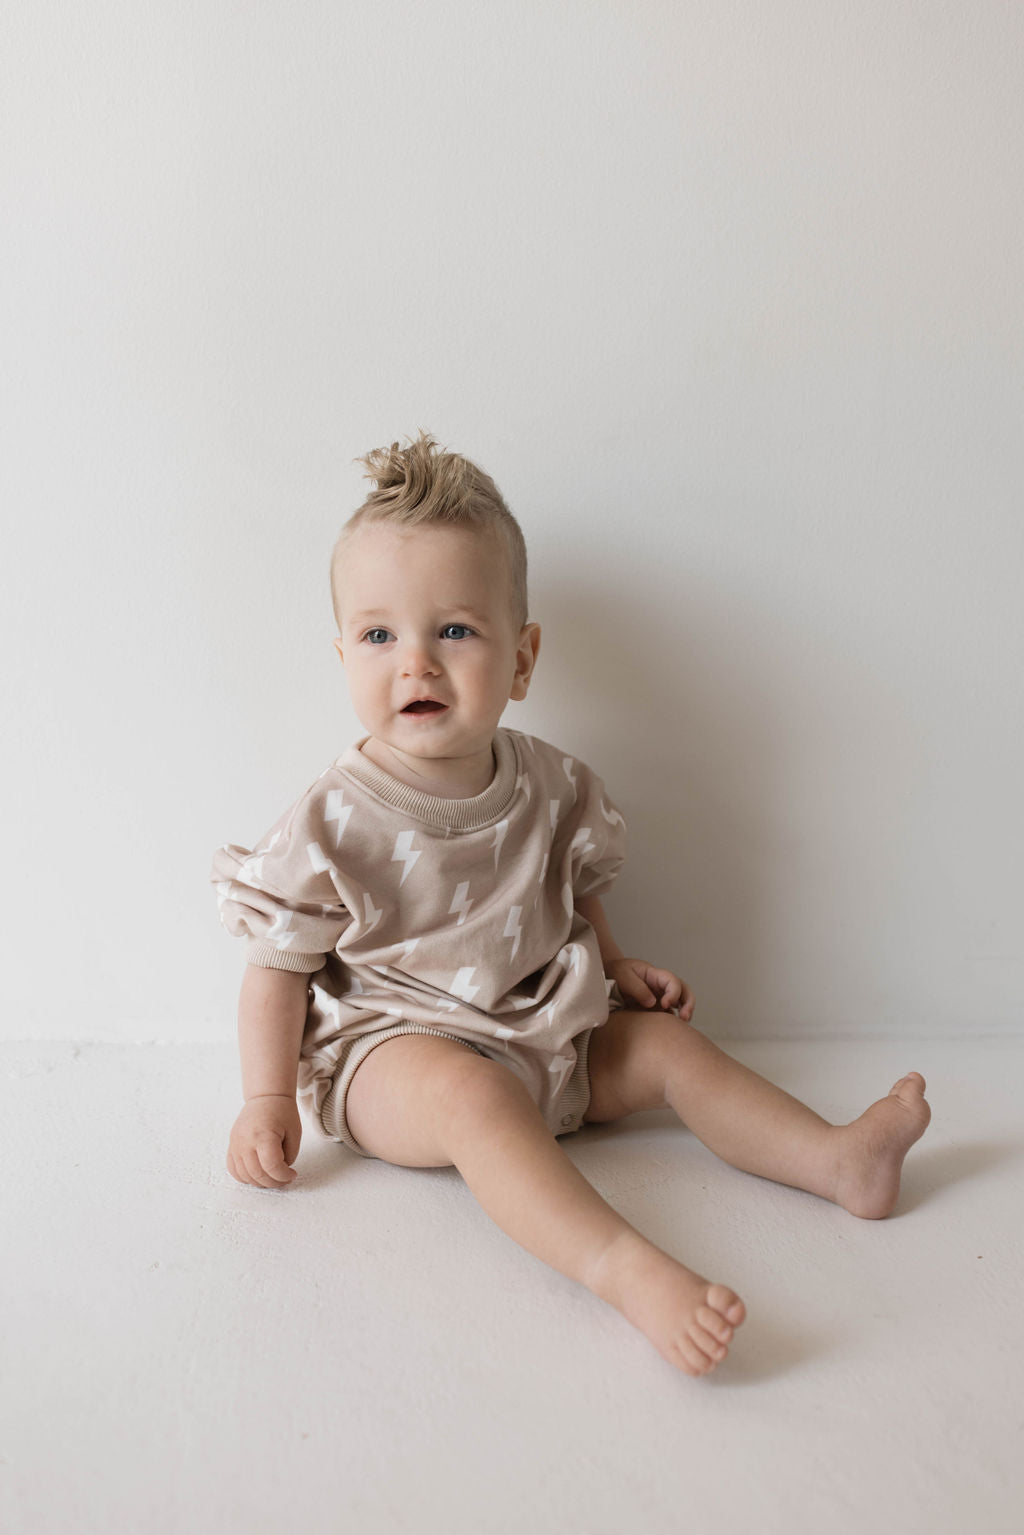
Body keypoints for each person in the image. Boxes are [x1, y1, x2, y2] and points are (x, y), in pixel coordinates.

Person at [210, 431, 931, 1378]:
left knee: (668, 1048)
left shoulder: (550, 782)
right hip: (394, 1054)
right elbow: (278, 969)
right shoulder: (334, 816)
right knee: (473, 1097)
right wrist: (267, 1098)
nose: (415, 663)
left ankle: (836, 1159)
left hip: (543, 1037)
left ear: (522, 657)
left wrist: (617, 965)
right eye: (381, 635)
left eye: (454, 630)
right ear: (344, 654)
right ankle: (626, 1270)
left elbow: (567, 896)